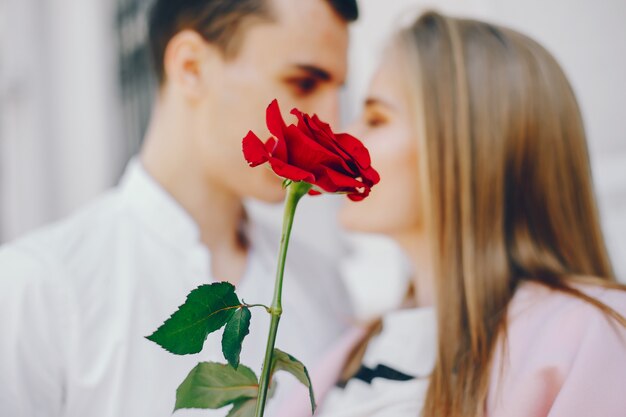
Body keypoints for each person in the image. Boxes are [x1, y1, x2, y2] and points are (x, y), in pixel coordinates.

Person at [0, 0, 359, 416]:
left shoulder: (324, 287)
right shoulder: (40, 290)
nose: (333, 120)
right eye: (304, 82)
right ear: (191, 67)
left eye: (338, 90)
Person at [314, 10, 626, 417]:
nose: (346, 137)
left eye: (376, 118)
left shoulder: (591, 334)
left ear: (468, 147)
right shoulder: (354, 347)